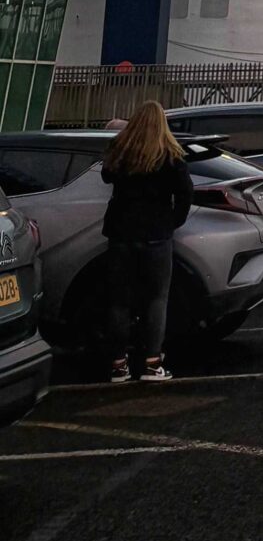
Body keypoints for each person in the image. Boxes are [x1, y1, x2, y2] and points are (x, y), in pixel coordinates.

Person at [100, 101, 192, 383]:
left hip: (121, 233)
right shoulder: (170, 154)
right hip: (156, 234)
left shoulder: (121, 151)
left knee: (119, 301)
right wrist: (172, 221)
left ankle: (118, 364)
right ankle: (152, 364)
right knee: (156, 299)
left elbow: (106, 176)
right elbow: (185, 192)